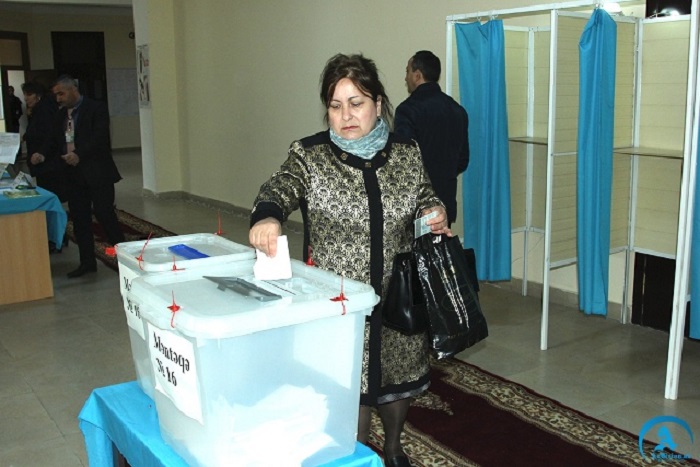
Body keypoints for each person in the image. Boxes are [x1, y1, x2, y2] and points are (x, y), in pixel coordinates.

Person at [249, 53, 451, 467]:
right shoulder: (310, 156)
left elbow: (425, 195)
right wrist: (267, 215)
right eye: (335, 105)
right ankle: (352, 456)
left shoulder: (406, 153)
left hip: (399, 294)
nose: (346, 116)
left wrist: (436, 211)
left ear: (378, 102)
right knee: (348, 387)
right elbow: (280, 185)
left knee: (397, 380)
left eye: (356, 103)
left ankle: (393, 449)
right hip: (339, 302)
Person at [37, 75, 124, 278]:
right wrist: (41, 152)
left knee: (105, 215)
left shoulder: (96, 108)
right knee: (80, 219)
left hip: (97, 172)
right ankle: (87, 263)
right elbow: (52, 138)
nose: (58, 98)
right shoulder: (60, 115)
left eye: (61, 93)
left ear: (73, 90)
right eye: (55, 95)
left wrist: (79, 155)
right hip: (73, 174)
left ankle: (126, 260)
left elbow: (99, 137)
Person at [394, 50, 470, 225]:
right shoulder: (458, 111)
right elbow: (463, 161)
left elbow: (403, 161)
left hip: (417, 206)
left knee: (413, 253)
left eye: (408, 71)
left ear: (417, 75)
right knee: (440, 252)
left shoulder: (407, 111)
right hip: (445, 206)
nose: (405, 78)